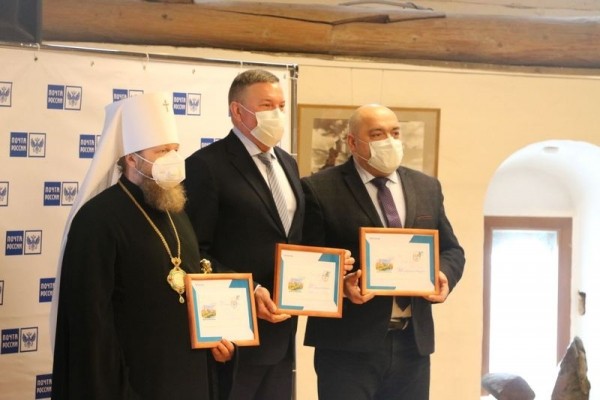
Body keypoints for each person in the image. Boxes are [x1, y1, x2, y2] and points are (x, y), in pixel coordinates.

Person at [51, 93, 234, 399]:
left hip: (188, 375)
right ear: (131, 158)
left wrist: (216, 335)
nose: (173, 158)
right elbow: (91, 322)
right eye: (162, 151)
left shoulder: (175, 209)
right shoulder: (97, 219)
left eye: (175, 149)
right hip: (134, 381)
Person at [301, 104, 466, 400]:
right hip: (346, 347)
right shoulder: (319, 188)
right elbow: (305, 261)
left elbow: (452, 250)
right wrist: (341, 286)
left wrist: (443, 274)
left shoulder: (427, 187)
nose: (389, 141)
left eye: (395, 133)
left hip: (412, 343)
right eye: (377, 134)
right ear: (353, 143)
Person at [183, 69, 304, 400]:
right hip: (233, 334)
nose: (277, 114)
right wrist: (249, 290)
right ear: (238, 111)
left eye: (281, 106)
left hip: (283, 331)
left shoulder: (288, 163)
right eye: (267, 106)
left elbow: (291, 238)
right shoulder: (206, 166)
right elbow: (193, 251)